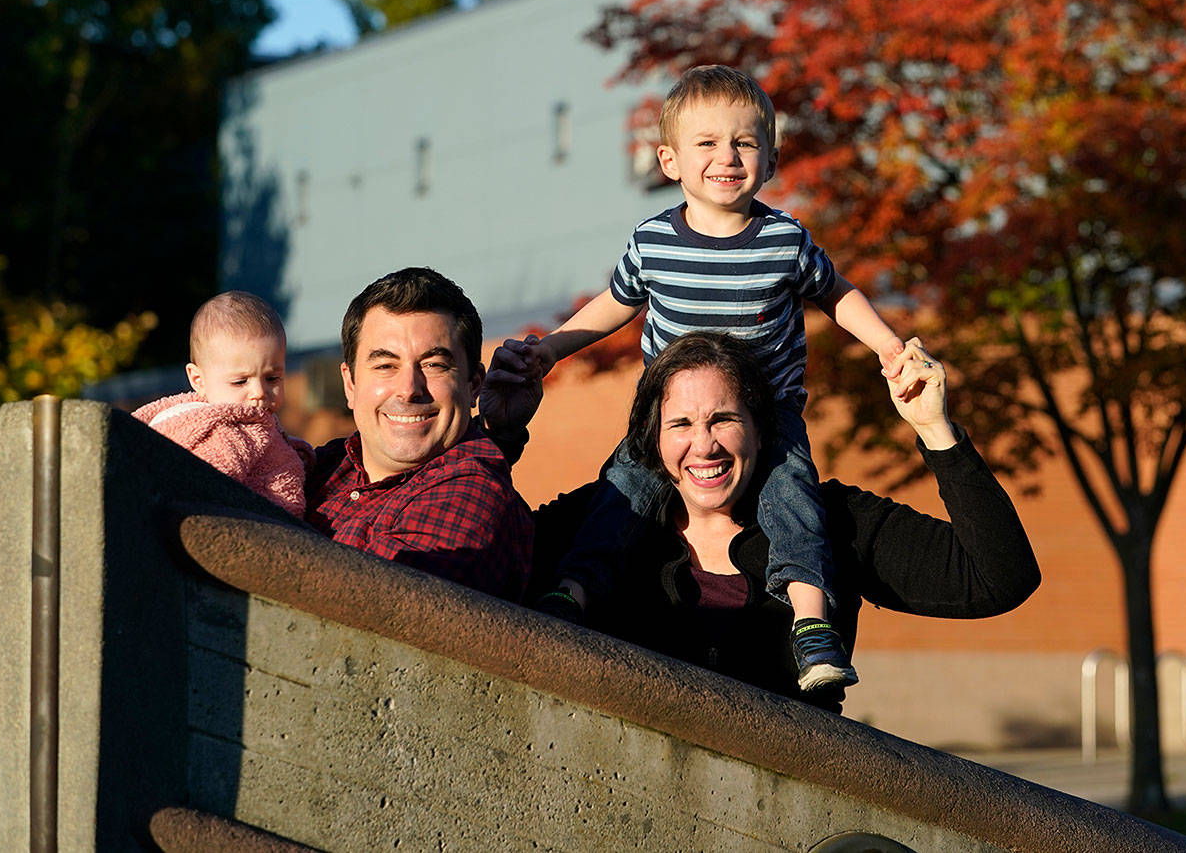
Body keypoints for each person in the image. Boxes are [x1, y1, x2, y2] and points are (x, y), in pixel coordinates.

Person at [511, 65, 903, 691]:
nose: (728, 157)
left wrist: (887, 345)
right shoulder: (654, 241)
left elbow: (838, 292)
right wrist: (552, 349)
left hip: (767, 421)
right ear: (669, 160)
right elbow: (614, 304)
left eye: (745, 143)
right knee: (617, 498)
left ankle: (811, 627)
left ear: (770, 158)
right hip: (670, 425)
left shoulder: (784, 240)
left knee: (795, 504)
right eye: (707, 143)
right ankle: (573, 595)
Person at [482, 332, 1041, 709]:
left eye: (724, 419)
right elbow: (478, 565)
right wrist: (501, 440)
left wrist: (934, 429)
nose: (704, 446)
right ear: (650, 437)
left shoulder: (830, 520)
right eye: (680, 424)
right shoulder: (605, 518)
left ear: (761, 428)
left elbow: (998, 577)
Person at [304, 267, 534, 602]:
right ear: (350, 384)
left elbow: (364, 613)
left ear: (473, 385)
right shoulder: (317, 466)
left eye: (434, 365)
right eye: (385, 365)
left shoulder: (472, 498)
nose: (409, 389)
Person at [133, 291, 313, 517]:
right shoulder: (225, 434)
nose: (258, 392)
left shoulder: (254, 426)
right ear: (198, 380)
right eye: (240, 381)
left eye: (272, 378)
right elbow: (206, 488)